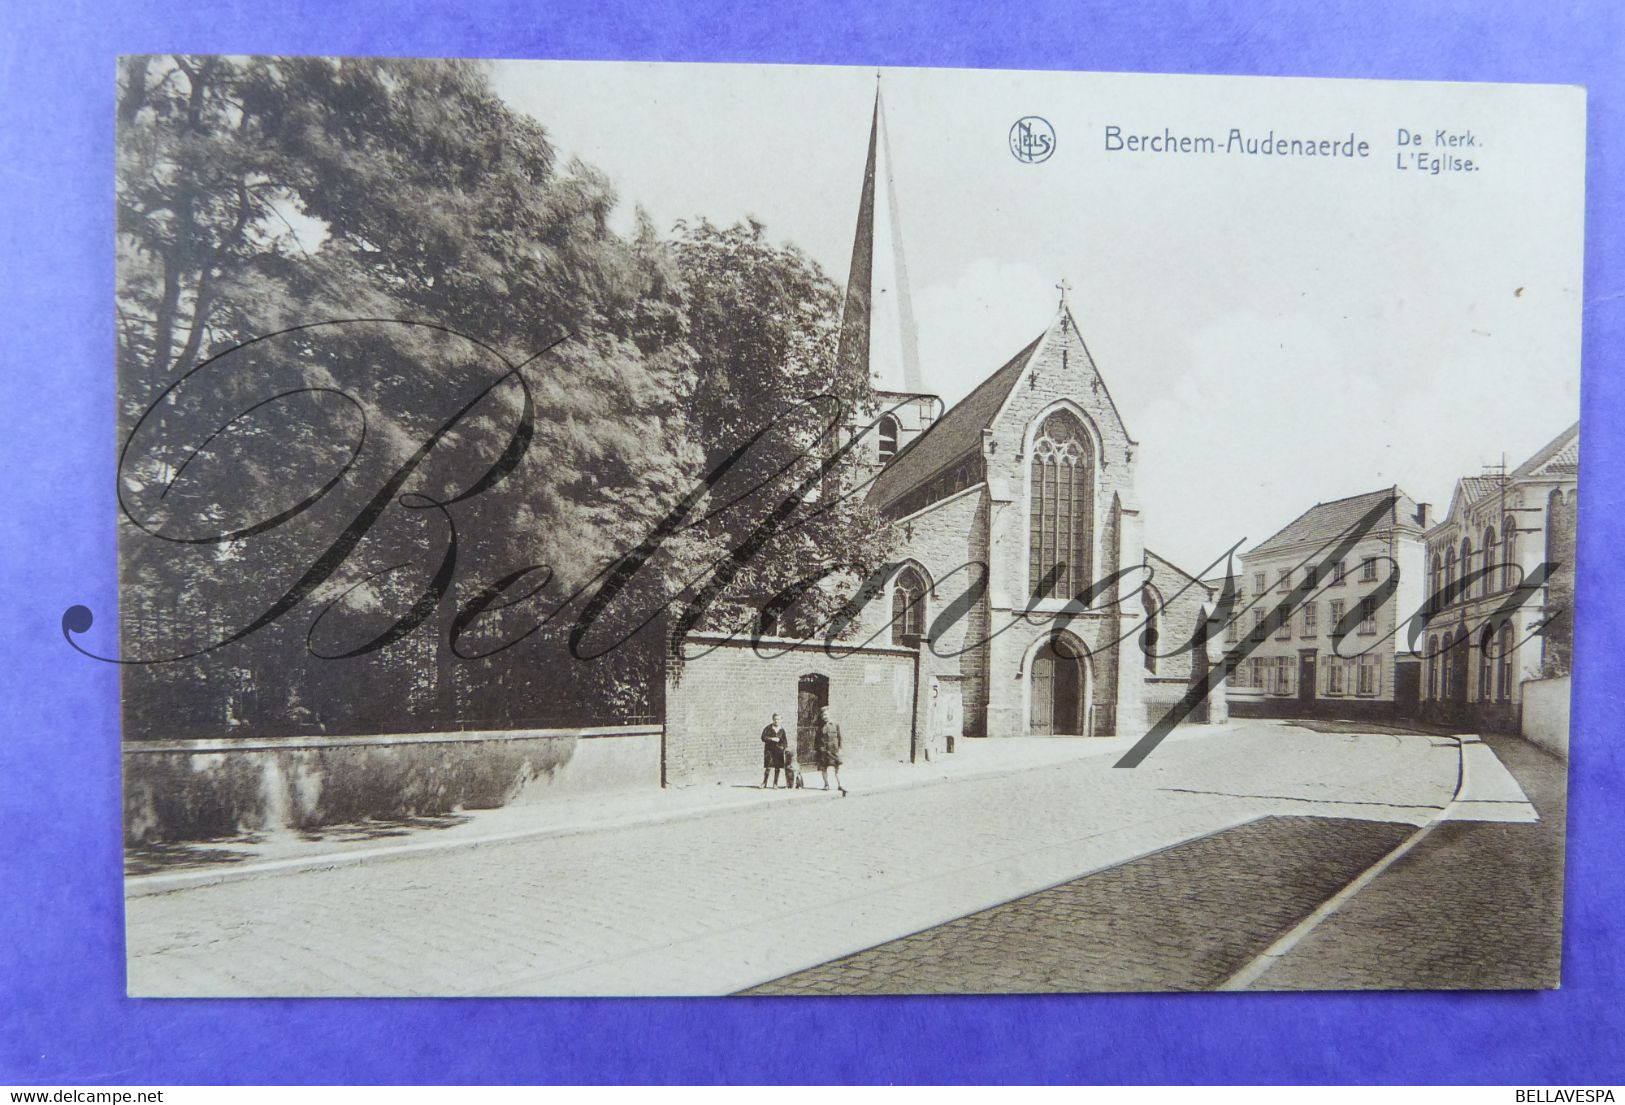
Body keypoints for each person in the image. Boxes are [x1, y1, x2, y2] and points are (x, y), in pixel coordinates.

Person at [813, 705, 845, 795]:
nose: (825, 717)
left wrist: (840, 749)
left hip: (834, 751)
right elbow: (816, 740)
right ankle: (826, 784)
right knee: (823, 768)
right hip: (824, 751)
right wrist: (819, 749)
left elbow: (840, 738)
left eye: (826, 715)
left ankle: (840, 785)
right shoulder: (819, 727)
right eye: (823, 715)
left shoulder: (835, 725)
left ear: (830, 715)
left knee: (837, 768)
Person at [760, 713, 789, 789]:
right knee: (768, 766)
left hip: (778, 751)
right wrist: (772, 739)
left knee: (777, 767)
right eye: (775, 719)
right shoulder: (768, 728)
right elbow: (763, 737)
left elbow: (785, 741)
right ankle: (764, 783)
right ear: (773, 719)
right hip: (769, 750)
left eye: (778, 719)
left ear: (781, 720)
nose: (776, 721)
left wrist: (785, 748)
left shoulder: (782, 730)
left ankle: (775, 783)